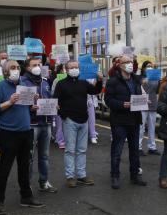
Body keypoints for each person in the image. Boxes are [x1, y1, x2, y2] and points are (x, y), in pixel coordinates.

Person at [0, 60, 44, 214]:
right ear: (6, 71)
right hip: (7, 132)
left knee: (25, 166)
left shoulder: (25, 88)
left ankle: (26, 196)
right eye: (13, 68)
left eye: (18, 68)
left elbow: (26, 108)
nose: (16, 70)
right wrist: (9, 102)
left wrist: (33, 106)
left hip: (25, 131)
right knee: (4, 167)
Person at [53, 60, 102, 188]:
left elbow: (95, 90)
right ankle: (70, 176)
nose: (75, 69)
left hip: (83, 119)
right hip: (69, 120)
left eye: (76, 67)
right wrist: (63, 114)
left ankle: (81, 175)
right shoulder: (61, 84)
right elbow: (55, 100)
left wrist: (100, 80)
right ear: (66, 69)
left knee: (82, 149)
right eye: (72, 67)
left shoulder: (83, 82)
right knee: (70, 150)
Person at [104, 54, 146, 189]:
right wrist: (123, 104)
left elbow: (139, 96)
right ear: (120, 65)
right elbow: (108, 100)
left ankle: (135, 175)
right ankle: (115, 176)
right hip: (120, 121)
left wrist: (144, 101)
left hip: (134, 119)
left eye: (131, 62)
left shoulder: (136, 80)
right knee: (117, 150)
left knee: (134, 150)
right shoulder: (113, 81)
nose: (130, 64)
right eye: (127, 62)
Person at [20, 57, 57, 193]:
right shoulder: (22, 83)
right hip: (31, 124)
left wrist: (54, 105)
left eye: (39, 64)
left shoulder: (45, 82)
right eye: (34, 65)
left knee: (44, 155)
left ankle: (44, 181)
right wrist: (30, 107)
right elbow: (19, 104)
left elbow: (49, 98)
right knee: (29, 156)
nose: (38, 66)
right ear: (27, 68)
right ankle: (26, 184)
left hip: (46, 122)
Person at [139, 61, 160, 156]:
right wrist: (143, 81)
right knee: (141, 127)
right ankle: (138, 147)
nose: (150, 67)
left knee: (152, 127)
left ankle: (152, 147)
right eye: (148, 66)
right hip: (142, 103)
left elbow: (158, 90)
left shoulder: (156, 78)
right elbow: (137, 88)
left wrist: (158, 76)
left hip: (153, 104)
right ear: (143, 68)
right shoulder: (140, 77)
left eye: (151, 66)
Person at [51, 64, 66, 149]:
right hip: (59, 105)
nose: (64, 70)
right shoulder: (56, 80)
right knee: (59, 123)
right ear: (60, 70)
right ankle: (60, 140)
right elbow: (53, 93)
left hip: (68, 105)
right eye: (63, 69)